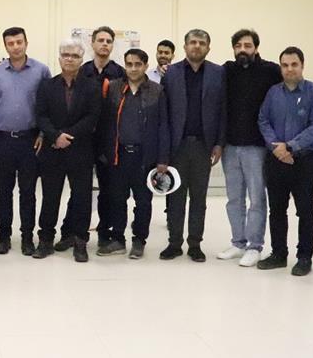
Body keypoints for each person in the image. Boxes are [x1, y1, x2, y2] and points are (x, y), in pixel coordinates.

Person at [256, 47, 313, 276]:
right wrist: (276, 147)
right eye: (285, 65)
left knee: (305, 210)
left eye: (294, 64)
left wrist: (290, 147)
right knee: (277, 209)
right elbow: (263, 120)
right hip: (276, 159)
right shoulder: (273, 93)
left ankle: (304, 257)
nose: (289, 69)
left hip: (304, 161)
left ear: (302, 65)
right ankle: (279, 254)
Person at [160, 28, 226, 262]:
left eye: (201, 43)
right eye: (193, 42)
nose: (197, 46)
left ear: (208, 48)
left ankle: (195, 244)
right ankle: (174, 243)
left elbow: (223, 111)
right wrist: (164, 151)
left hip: (203, 146)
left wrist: (219, 143)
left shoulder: (218, 73)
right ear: (185, 46)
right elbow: (164, 114)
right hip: (177, 146)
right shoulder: (171, 73)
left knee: (199, 198)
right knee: (175, 197)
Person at [218, 29, 282, 267]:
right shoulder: (227, 70)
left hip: (257, 147)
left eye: (247, 45)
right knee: (234, 198)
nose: (242, 50)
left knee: (256, 198)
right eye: (238, 46)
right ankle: (238, 242)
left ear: (256, 47)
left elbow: (294, 81)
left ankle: (255, 246)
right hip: (230, 146)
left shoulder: (271, 71)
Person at [33, 39, 102, 262]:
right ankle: (45, 240)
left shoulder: (92, 86)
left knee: (81, 198)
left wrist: (67, 136)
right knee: (50, 197)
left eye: (74, 56)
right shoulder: (47, 85)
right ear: (59, 58)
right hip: (52, 151)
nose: (69, 59)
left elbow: (92, 117)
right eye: (66, 55)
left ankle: (80, 242)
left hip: (80, 150)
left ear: (82, 60)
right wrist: (55, 136)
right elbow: (41, 116)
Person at [97, 48, 170, 259]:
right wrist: (104, 152)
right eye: (129, 64)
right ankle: (118, 239)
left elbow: (163, 126)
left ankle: (139, 241)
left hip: (144, 157)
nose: (133, 68)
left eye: (138, 64)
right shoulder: (113, 88)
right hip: (118, 155)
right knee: (117, 199)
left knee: (143, 201)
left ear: (145, 66)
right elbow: (104, 123)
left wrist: (162, 158)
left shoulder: (157, 91)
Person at [57, 26, 124, 252]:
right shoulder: (81, 70)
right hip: (81, 139)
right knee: (79, 191)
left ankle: (105, 235)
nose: (104, 44)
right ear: (92, 44)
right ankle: (69, 233)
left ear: (112, 45)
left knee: (108, 190)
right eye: (100, 40)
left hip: (108, 140)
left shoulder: (119, 73)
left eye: (108, 41)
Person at [0, 26, 50, 255]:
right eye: (11, 43)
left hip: (30, 140)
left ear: (26, 43)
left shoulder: (41, 71)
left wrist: (43, 134)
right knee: (3, 192)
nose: (15, 47)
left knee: (28, 192)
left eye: (19, 42)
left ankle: (27, 238)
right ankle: (3, 237)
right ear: (5, 46)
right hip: (3, 140)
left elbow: (48, 107)